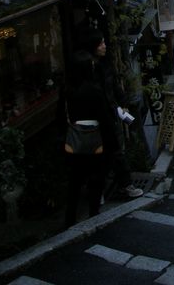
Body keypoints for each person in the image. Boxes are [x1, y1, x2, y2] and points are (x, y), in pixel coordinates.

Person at [84, 30, 144, 200]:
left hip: (111, 113)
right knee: (110, 153)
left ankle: (113, 186)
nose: (104, 46)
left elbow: (115, 87)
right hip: (99, 118)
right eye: (101, 43)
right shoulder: (88, 69)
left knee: (114, 152)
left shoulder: (104, 65)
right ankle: (116, 186)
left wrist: (122, 104)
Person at [62, 50, 112, 227]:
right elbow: (104, 117)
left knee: (75, 180)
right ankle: (93, 213)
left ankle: (70, 218)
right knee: (96, 177)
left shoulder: (68, 91)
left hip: (74, 138)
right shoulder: (94, 90)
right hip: (94, 137)